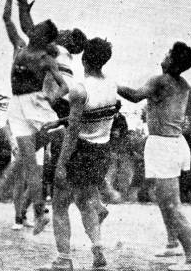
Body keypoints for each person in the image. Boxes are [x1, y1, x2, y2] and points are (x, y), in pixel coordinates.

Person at [118, 42, 191, 271]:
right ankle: (172, 242)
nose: (164, 56)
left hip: (163, 145)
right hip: (173, 143)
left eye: (168, 54)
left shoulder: (159, 80)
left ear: (172, 61)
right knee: (163, 196)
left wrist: (111, 85)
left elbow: (135, 96)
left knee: (172, 204)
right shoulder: (185, 85)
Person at [3, 0, 68, 234]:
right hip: (17, 106)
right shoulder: (20, 46)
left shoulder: (46, 58)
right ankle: (39, 215)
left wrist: (50, 98)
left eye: (38, 28)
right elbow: (7, 19)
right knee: (30, 164)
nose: (33, 27)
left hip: (36, 103)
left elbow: (63, 87)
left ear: (43, 37)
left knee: (43, 150)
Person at [50, 38, 118, 271]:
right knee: (87, 202)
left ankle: (63, 259)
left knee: (59, 204)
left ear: (84, 58)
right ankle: (98, 248)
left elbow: (73, 132)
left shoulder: (79, 90)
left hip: (81, 150)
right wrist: (58, 121)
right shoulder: (111, 85)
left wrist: (60, 165)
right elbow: (91, 117)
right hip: (101, 151)